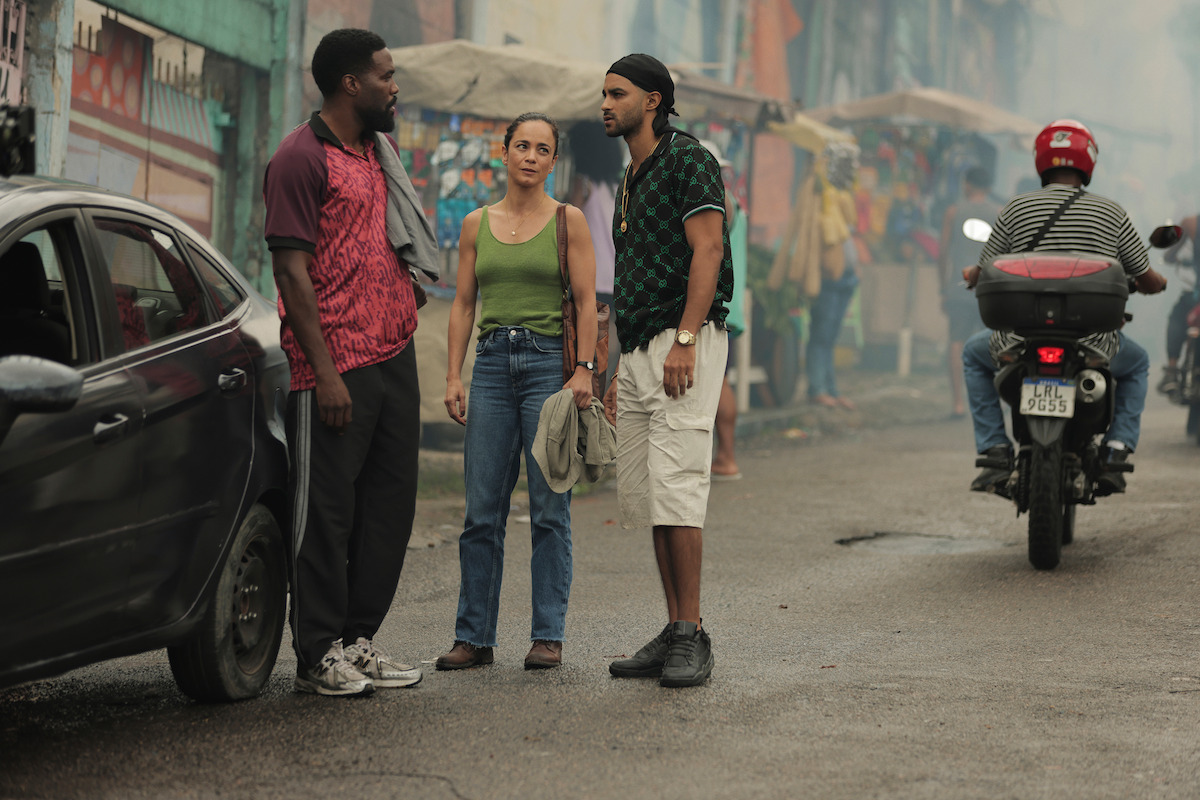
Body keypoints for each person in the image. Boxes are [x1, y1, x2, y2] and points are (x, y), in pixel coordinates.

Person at [263, 28, 438, 697]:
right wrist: (325, 373)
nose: (395, 87)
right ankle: (316, 653)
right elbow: (291, 271)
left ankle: (358, 641)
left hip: (393, 353)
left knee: (387, 509)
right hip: (334, 366)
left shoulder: (374, 151)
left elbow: (376, 236)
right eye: (386, 76)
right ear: (350, 83)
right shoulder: (300, 158)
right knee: (325, 514)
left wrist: (400, 279)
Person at [436, 112, 598, 672]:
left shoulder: (569, 220)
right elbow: (463, 304)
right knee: (482, 510)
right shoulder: (475, 224)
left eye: (542, 149)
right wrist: (453, 375)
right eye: (522, 146)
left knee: (550, 508)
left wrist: (584, 369)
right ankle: (473, 637)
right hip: (490, 367)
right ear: (503, 153)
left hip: (548, 367)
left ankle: (547, 635)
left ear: (553, 161)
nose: (530, 156)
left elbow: (587, 302)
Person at [600, 54, 733, 688]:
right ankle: (675, 624)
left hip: (683, 342)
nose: (605, 104)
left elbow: (708, 249)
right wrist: (619, 366)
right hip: (639, 350)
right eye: (604, 94)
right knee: (652, 492)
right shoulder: (630, 175)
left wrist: (684, 338)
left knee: (678, 486)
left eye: (617, 93)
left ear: (652, 100)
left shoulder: (689, 159)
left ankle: (692, 632)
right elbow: (632, 271)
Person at [962, 119, 1168, 498]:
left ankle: (994, 449)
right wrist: (1157, 283)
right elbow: (1147, 277)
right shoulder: (1111, 213)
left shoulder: (1016, 208)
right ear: (1088, 161)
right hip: (1094, 342)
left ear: (1041, 160)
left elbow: (984, 268)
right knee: (1137, 363)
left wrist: (970, 274)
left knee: (973, 355)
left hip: (1019, 339)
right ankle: (1116, 448)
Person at [697, 138, 744, 480]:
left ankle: (726, 456)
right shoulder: (729, 200)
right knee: (719, 379)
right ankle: (723, 455)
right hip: (728, 303)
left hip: (717, 304)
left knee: (719, 381)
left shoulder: (718, 201)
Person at [939, 166, 1001, 417]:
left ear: (967, 184)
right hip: (990, 290)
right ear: (989, 186)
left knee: (957, 342)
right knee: (992, 344)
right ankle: (990, 401)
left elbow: (943, 253)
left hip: (960, 287)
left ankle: (958, 403)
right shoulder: (999, 214)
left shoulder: (953, 212)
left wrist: (942, 287)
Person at [1156, 214, 1199, 398]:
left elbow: (1170, 255)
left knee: (1176, 320)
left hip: (1194, 297)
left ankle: (1171, 371)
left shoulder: (1191, 223)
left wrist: (1174, 259)